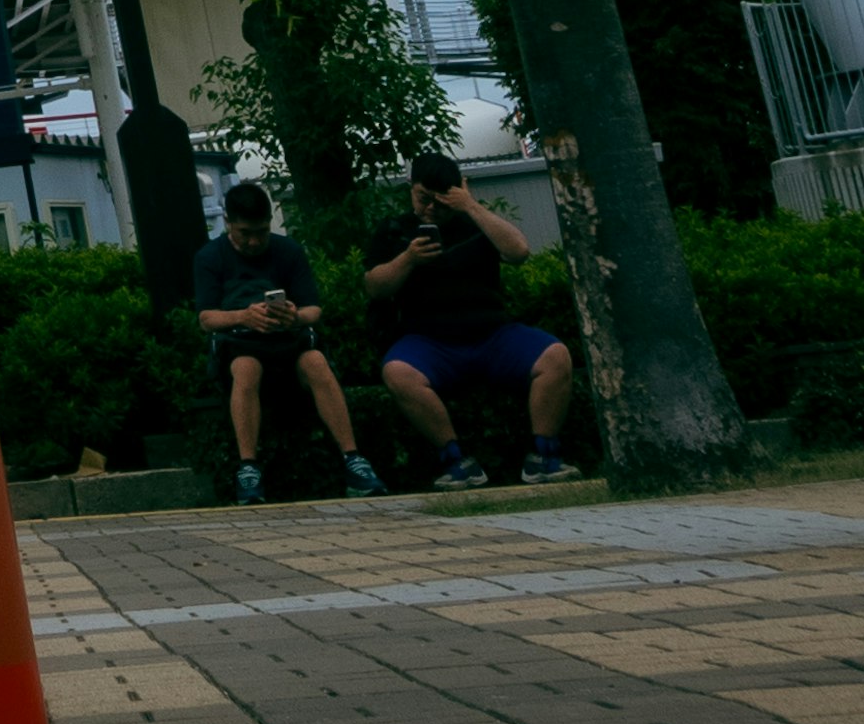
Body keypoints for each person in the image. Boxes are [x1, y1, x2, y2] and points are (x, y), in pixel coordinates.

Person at [368, 153, 577, 488]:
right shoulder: (395, 230)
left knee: (556, 356)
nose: (432, 209)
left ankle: (543, 457)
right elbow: (375, 287)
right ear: (411, 189)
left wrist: (471, 206)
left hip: (493, 334)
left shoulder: (476, 225)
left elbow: (519, 252)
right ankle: (456, 461)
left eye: (442, 201)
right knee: (397, 372)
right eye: (424, 199)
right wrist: (408, 259)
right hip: (429, 341)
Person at [193, 178, 383, 503]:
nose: (254, 241)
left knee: (316, 361)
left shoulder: (288, 251)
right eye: (245, 234)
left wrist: (294, 316)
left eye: (261, 232)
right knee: (246, 368)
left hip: (287, 340)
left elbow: (314, 310)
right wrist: (243, 316)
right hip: (241, 343)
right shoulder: (211, 256)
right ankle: (248, 468)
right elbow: (207, 318)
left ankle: (353, 460)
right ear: (228, 224)